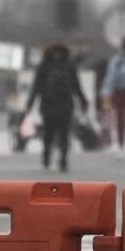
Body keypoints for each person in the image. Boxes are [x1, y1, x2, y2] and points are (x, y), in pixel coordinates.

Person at [26, 43, 89, 172]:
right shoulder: (44, 67)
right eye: (55, 52)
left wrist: (83, 100)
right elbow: (37, 86)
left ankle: (63, 159)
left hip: (65, 104)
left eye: (59, 53)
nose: (57, 55)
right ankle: (47, 154)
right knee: (49, 132)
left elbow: (76, 85)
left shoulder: (69, 67)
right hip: (49, 104)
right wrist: (30, 103)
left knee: (64, 134)